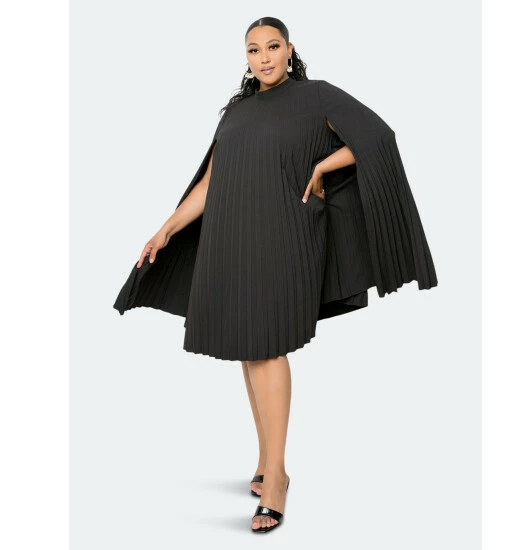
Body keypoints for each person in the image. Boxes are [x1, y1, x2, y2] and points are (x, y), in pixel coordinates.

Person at [113, 16, 438, 533]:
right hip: (233, 239)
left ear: (289, 49)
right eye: (253, 49)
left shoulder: (316, 96)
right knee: (250, 350)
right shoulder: (237, 112)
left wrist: (323, 167)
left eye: (272, 46)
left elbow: (378, 137)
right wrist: (165, 229)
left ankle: (278, 477)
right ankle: (267, 462)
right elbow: (211, 184)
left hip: (286, 237)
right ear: (246, 57)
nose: (263, 57)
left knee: (267, 347)